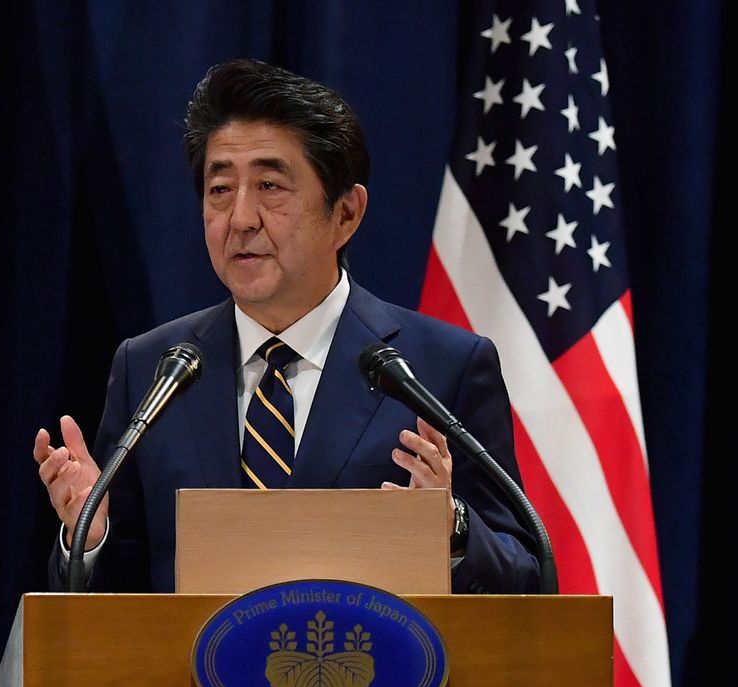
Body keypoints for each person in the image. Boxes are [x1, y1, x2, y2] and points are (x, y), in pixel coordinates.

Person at [33, 59, 540, 595]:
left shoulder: (440, 368)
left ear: (346, 213)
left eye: (270, 186)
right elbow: (120, 594)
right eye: (220, 189)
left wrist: (451, 528)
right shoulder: (154, 369)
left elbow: (528, 578)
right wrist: (89, 536)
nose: (241, 218)